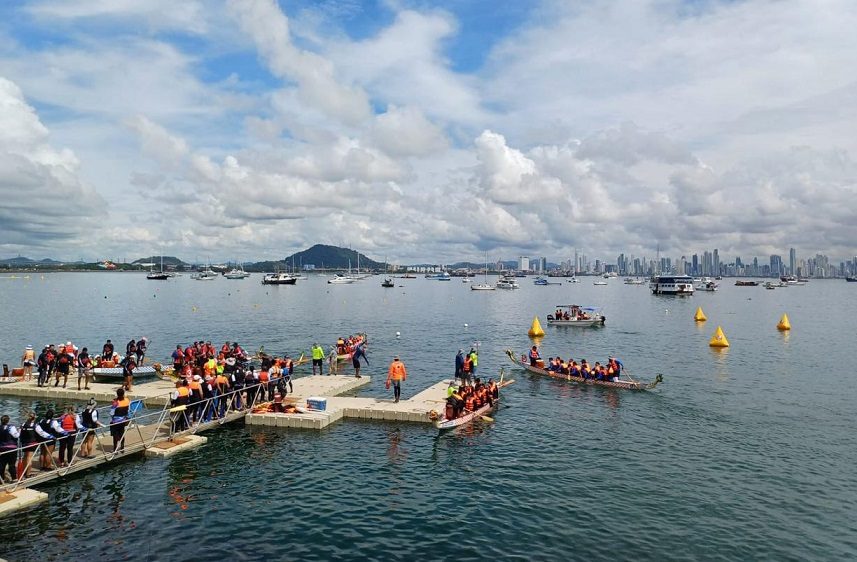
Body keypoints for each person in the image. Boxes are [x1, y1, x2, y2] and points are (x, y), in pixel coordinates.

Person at [0, 414, 20, 482]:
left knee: (2, 464)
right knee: (11, 464)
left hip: (2, 448)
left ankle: (1, 479)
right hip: (11, 448)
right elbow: (16, 436)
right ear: (8, 421)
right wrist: (19, 431)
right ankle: (14, 479)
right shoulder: (11, 427)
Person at [110, 389, 131, 453]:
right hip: (123, 420)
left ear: (117, 394)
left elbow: (111, 413)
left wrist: (114, 402)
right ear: (123, 394)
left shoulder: (115, 403)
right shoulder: (127, 400)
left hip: (116, 421)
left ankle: (115, 449)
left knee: (115, 435)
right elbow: (128, 410)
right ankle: (122, 448)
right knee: (122, 433)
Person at [19, 411, 38, 477]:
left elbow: (19, 434)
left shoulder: (23, 424)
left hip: (24, 443)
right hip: (32, 443)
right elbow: (42, 433)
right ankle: (28, 474)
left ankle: (24, 472)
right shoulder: (36, 425)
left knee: (25, 457)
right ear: (34, 418)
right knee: (29, 458)